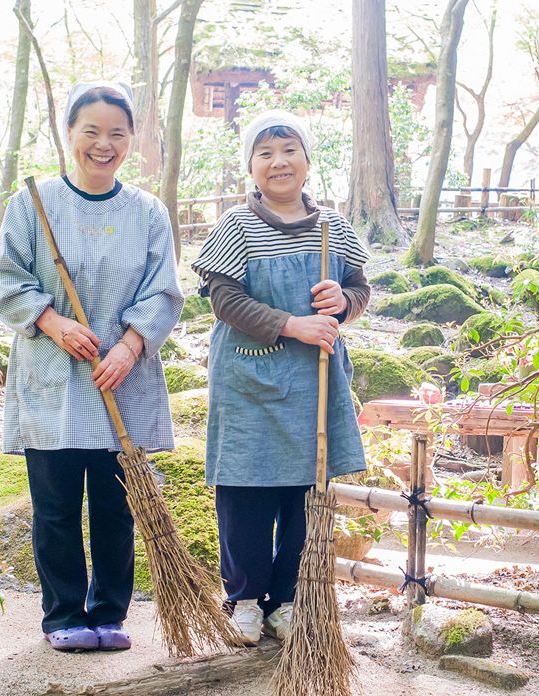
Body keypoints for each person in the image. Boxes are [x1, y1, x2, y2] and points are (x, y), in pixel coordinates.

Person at [0, 82, 183, 652]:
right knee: (54, 508)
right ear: (69, 134)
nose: (104, 144)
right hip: (52, 377)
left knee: (117, 506)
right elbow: (3, 277)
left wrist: (127, 347)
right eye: (91, 131)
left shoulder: (148, 212)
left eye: (116, 133)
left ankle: (110, 613)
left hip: (123, 378)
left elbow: (165, 292)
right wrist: (52, 321)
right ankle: (64, 616)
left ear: (131, 140)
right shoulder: (33, 204)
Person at [190, 110, 371, 646]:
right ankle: (244, 598)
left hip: (315, 380)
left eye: (289, 149)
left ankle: (288, 600)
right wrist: (290, 324)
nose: (279, 161)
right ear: (251, 166)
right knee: (245, 489)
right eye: (265, 153)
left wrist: (345, 302)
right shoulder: (237, 225)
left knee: (304, 489)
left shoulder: (333, 227)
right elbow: (223, 299)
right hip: (250, 379)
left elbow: (359, 291)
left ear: (308, 161)